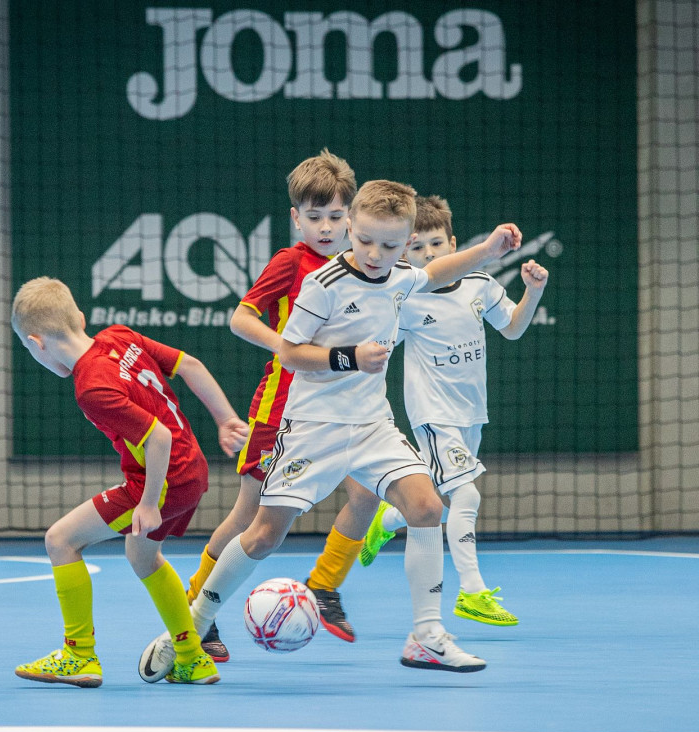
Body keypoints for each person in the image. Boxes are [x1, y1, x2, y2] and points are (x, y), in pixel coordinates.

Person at [139, 180, 523, 680]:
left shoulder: (401, 276)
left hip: (372, 426)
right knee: (263, 535)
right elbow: (289, 352)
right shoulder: (324, 283)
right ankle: (189, 627)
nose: (375, 254)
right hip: (312, 428)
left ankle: (426, 637)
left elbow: (433, 272)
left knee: (427, 507)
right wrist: (351, 357)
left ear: (406, 242)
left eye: (389, 245)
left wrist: (489, 250)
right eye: (364, 240)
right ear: (351, 229)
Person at [191, 148, 382, 660]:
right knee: (249, 516)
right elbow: (241, 318)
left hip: (345, 409)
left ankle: (324, 586)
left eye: (336, 216)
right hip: (282, 409)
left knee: (367, 492)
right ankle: (195, 607)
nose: (326, 227)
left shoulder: (361, 266)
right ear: (296, 218)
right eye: (314, 217)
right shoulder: (291, 263)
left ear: (352, 218)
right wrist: (291, 350)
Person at [10, 276, 248, 687]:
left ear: (36, 343)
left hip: (163, 478)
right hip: (191, 469)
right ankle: (192, 658)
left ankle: (79, 655)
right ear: (80, 318)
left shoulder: (92, 387)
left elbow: (158, 438)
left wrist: (149, 503)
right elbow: (191, 365)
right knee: (142, 557)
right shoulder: (119, 336)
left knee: (60, 540)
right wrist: (226, 418)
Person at [358, 196, 549, 628]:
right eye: (417, 247)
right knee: (467, 495)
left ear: (454, 244)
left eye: (436, 244)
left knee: (442, 500)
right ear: (404, 254)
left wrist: (533, 291)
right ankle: (472, 592)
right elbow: (377, 347)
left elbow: (513, 328)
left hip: (472, 413)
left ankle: (389, 519)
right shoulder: (405, 299)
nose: (429, 254)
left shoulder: (480, 284)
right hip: (433, 414)